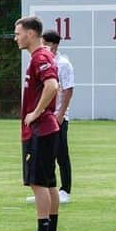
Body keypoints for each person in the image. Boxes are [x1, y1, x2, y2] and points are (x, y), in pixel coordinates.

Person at [15, 16, 60, 231]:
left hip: (40, 130)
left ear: (31, 34)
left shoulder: (41, 56)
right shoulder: (39, 57)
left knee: (38, 183)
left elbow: (52, 86)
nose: (16, 38)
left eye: (18, 33)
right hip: (47, 129)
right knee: (49, 182)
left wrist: (35, 112)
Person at [41, 29, 73, 204]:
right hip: (45, 116)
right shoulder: (42, 62)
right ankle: (46, 189)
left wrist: (61, 114)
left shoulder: (63, 64)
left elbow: (68, 89)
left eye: (45, 44)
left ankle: (65, 190)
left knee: (61, 153)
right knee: (46, 154)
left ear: (54, 44)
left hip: (58, 116)